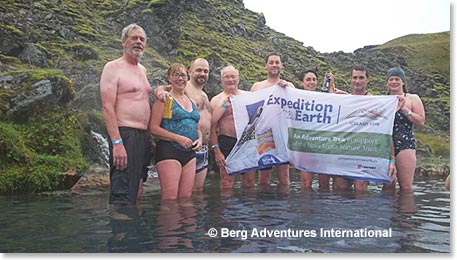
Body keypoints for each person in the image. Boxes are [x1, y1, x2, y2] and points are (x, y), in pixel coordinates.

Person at [100, 23, 152, 205]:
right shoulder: (113, 68)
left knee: (137, 187)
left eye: (142, 39)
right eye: (134, 38)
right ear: (124, 41)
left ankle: (133, 232)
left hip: (143, 136)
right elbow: (107, 107)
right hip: (125, 133)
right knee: (121, 190)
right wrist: (117, 143)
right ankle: (121, 232)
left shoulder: (143, 70)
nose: (138, 42)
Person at [155, 58, 212, 192]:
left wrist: (200, 139)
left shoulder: (202, 95)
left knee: (195, 192)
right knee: (171, 198)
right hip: (172, 148)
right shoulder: (181, 89)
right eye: (198, 70)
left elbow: (197, 124)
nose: (202, 73)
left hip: (198, 148)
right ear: (190, 71)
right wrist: (159, 90)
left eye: (205, 71)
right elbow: (165, 88)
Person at [337, 65, 397, 191]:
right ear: (350, 79)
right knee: (339, 188)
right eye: (355, 77)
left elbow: (386, 132)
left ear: (368, 79)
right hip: (343, 153)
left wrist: (392, 160)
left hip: (365, 153)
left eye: (361, 77)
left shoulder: (377, 103)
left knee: (360, 190)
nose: (357, 81)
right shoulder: (343, 100)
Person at [250, 52, 294, 186]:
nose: (274, 65)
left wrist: (287, 90)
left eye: (277, 62)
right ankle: (264, 206)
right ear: (266, 66)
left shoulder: (289, 86)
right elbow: (250, 111)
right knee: (263, 176)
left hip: (282, 134)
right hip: (264, 133)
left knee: (284, 176)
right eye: (271, 62)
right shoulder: (257, 86)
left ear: (281, 66)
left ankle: (285, 206)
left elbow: (294, 110)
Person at [210, 65, 256, 190]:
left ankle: (247, 209)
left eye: (233, 76)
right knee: (226, 181)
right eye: (227, 77)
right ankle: (226, 209)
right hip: (226, 141)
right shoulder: (216, 100)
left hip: (246, 141)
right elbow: (211, 128)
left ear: (238, 79)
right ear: (222, 80)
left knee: (249, 181)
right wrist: (217, 151)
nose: (230, 80)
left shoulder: (248, 96)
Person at [382, 66, 425, 192]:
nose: (394, 82)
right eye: (391, 79)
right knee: (387, 186)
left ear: (403, 82)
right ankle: (388, 211)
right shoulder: (382, 100)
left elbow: (421, 121)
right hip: (386, 146)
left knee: (405, 187)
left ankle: (405, 212)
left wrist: (404, 109)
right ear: (387, 82)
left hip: (405, 144)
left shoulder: (412, 98)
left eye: (397, 79)